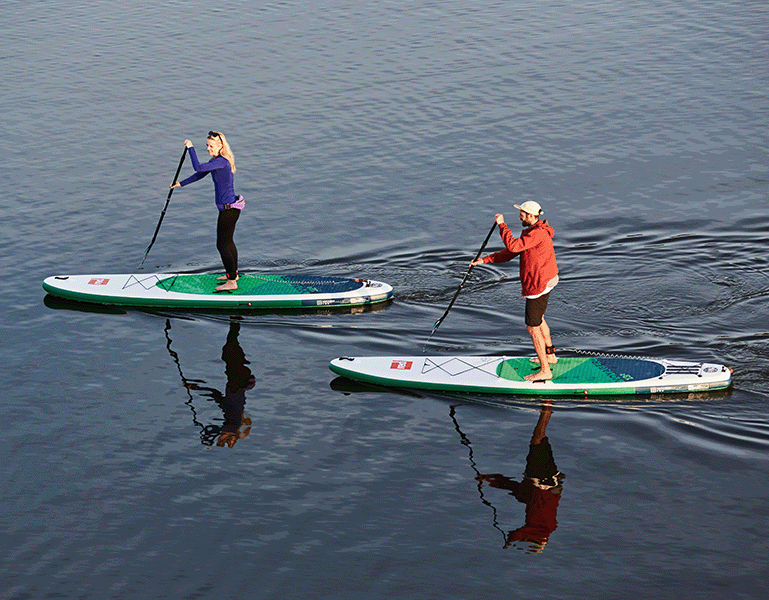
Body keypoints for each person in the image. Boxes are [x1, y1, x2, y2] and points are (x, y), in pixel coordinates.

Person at [471, 200, 559, 382]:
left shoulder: (537, 233)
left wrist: (502, 225)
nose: (519, 216)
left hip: (538, 283)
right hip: (547, 279)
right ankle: (550, 355)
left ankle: (545, 370)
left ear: (532, 216)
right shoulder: (533, 231)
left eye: (522, 214)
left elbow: (513, 246)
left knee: (532, 325)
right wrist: (485, 260)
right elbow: (512, 251)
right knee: (539, 318)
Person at [171, 131, 244, 292]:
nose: (208, 148)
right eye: (207, 145)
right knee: (228, 242)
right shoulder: (216, 162)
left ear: (220, 147)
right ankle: (233, 274)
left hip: (229, 210)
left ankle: (232, 281)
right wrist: (180, 184)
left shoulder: (222, 162)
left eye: (211, 146)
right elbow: (200, 173)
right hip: (230, 209)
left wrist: (191, 148)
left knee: (222, 244)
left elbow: (198, 166)